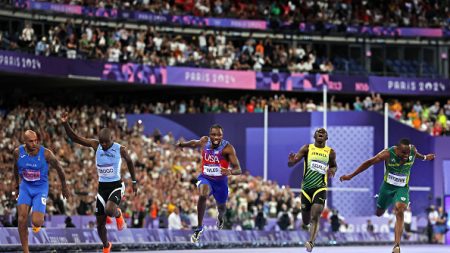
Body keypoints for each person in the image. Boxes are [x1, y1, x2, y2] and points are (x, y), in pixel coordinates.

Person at [340, 138, 435, 253]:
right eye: (403, 154)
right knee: (379, 213)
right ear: (397, 150)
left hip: (402, 188)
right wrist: (351, 175)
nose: (406, 156)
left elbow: (417, 155)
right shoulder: (387, 154)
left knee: (400, 210)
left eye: (408, 153)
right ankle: (383, 203)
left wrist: (425, 157)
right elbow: (369, 163)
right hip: (387, 187)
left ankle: (397, 246)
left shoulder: (412, 150)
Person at [61, 112, 137, 253]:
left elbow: (130, 162)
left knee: (109, 210)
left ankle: (118, 214)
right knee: (99, 224)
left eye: (106, 142)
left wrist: (134, 181)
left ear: (111, 139)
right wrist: (65, 123)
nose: (103, 144)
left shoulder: (120, 149)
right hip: (102, 188)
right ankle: (106, 245)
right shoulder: (96, 145)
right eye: (101, 142)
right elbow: (74, 138)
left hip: (116, 185)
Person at [176, 124, 242, 243]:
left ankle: (220, 217)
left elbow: (239, 169)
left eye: (219, 135)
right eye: (214, 134)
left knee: (221, 208)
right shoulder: (204, 142)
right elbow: (193, 143)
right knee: (203, 194)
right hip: (206, 178)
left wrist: (230, 171)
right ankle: (199, 227)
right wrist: (182, 144)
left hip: (221, 183)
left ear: (222, 135)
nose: (216, 137)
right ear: (209, 135)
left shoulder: (228, 148)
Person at [14, 130, 70, 253]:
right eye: (31, 141)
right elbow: (15, 167)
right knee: (22, 218)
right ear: (25, 142)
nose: (34, 143)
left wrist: (64, 186)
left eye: (36, 140)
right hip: (25, 187)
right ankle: (26, 251)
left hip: (40, 189)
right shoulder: (18, 153)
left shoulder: (46, 154)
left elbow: (59, 168)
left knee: (37, 221)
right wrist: (17, 185)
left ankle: (37, 225)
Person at [287, 128, 337, 252]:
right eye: (319, 132)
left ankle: (311, 242)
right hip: (305, 189)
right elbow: (292, 163)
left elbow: (334, 165)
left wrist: (332, 170)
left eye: (323, 133)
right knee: (305, 220)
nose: (321, 132)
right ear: (315, 136)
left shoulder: (330, 152)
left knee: (315, 216)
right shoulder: (307, 148)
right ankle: (309, 226)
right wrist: (291, 161)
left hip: (320, 188)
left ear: (326, 138)